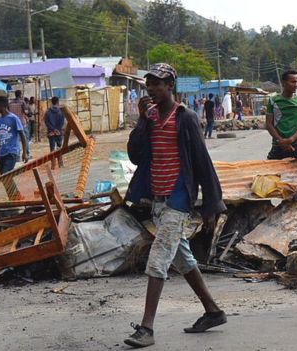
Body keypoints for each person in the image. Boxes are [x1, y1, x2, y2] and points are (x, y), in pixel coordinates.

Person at [123, 63, 227, 348]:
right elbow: (135, 155)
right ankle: (213, 311)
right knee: (182, 258)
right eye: (149, 85)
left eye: (157, 84)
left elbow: (202, 161)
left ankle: (147, 329)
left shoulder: (186, 117)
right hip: (159, 198)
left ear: (171, 86)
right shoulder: (151, 117)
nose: (152, 89)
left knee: (158, 259)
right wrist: (142, 120)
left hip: (179, 197)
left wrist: (211, 205)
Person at [265, 70, 297, 160]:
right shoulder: (273, 100)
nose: (295, 84)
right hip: (278, 145)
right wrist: (280, 141)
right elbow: (269, 124)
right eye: (292, 82)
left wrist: (291, 139)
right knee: (272, 173)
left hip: (296, 145)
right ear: (283, 83)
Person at [0, 96, 28, 175]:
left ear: (2, 106)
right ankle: (13, 188)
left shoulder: (14, 118)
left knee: (5, 175)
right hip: (0, 154)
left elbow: (22, 136)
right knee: (6, 180)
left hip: (11, 153)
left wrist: (25, 152)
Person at [9, 90, 30, 159]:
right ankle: (26, 154)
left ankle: (17, 156)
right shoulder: (22, 102)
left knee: (16, 140)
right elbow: (26, 112)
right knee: (25, 139)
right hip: (21, 123)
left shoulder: (10, 103)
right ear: (20, 95)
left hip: (13, 124)